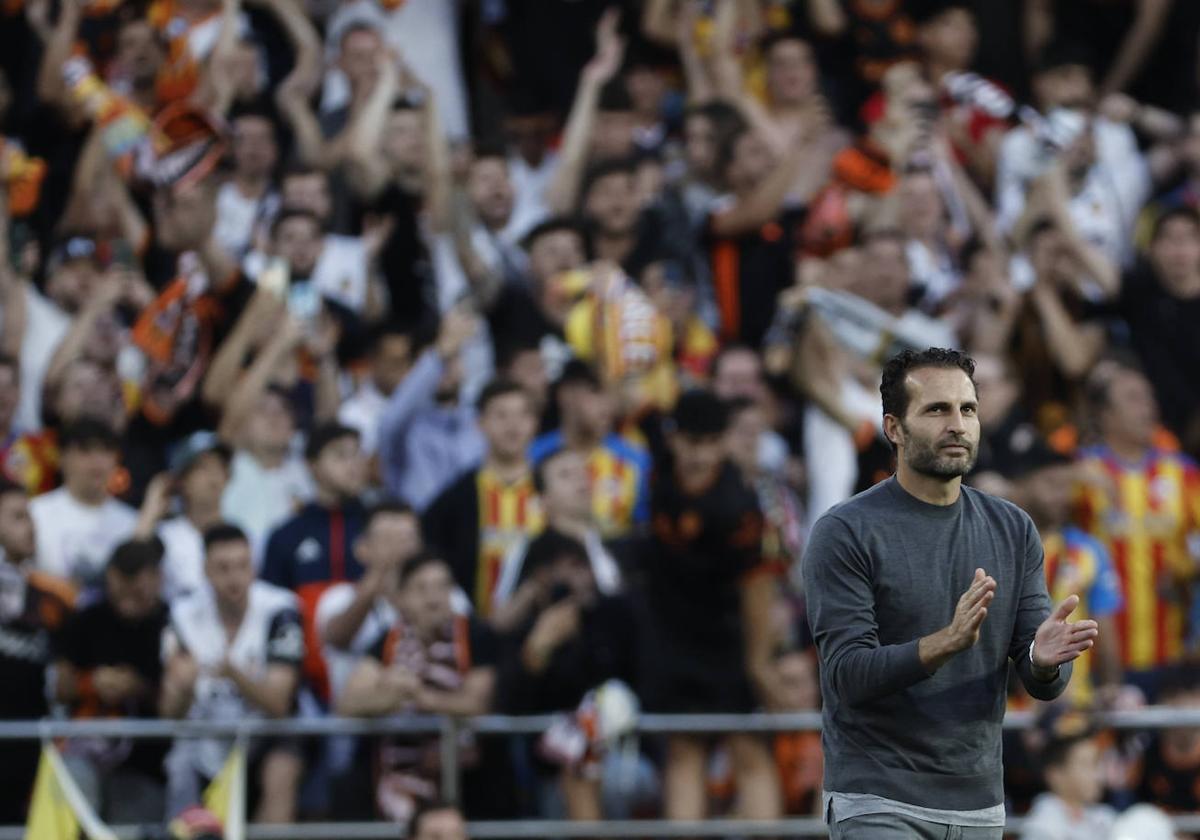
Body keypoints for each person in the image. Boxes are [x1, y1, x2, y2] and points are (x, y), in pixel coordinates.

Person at [803, 347, 1096, 839]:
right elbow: (846, 674)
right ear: (894, 428)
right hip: (879, 798)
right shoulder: (846, 531)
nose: (957, 424)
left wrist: (1044, 662)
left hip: (979, 803)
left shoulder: (1013, 528)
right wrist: (945, 642)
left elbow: (1042, 679)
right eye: (936, 409)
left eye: (968, 409)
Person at [641, 389, 783, 820]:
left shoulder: (738, 508)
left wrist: (758, 663)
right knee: (684, 754)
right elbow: (638, 402)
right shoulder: (661, 470)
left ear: (722, 442)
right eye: (689, 442)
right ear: (674, 439)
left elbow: (758, 591)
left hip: (727, 642)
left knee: (748, 753)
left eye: (707, 444)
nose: (697, 455)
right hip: (671, 638)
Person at [336, 551, 497, 824]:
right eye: (421, 588)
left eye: (442, 586)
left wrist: (419, 695)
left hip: (468, 783)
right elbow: (348, 703)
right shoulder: (388, 640)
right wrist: (390, 693)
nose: (433, 598)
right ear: (401, 598)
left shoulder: (476, 635)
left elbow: (477, 703)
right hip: (395, 781)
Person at [160, 524, 306, 824]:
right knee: (180, 764)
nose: (234, 578)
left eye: (242, 566)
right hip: (205, 735)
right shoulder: (182, 614)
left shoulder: (281, 609)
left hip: (266, 735)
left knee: (282, 768)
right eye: (223, 568)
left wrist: (234, 674)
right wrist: (184, 690)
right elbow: (169, 713)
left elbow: (279, 704)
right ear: (206, 571)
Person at [1074, 362, 1200, 699]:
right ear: (1105, 416)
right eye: (1133, 398)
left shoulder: (1184, 474)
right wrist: (1072, 478)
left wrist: (1187, 570)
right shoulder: (1080, 475)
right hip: (1099, 660)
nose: (1149, 407)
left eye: (1149, 397)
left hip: (1173, 657)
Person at [496, 527, 637, 820]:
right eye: (571, 569)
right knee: (574, 769)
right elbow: (510, 707)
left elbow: (639, 681)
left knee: (583, 767)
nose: (583, 579)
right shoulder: (523, 634)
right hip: (549, 772)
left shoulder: (613, 618)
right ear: (542, 579)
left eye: (585, 567)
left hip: (625, 757)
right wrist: (538, 649)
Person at [54, 537, 169, 823]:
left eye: (138, 591)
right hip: (85, 748)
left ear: (157, 580)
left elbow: (180, 699)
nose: (129, 598)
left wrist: (137, 687)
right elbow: (60, 686)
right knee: (71, 786)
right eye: (121, 588)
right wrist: (92, 683)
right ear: (110, 579)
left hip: (147, 760)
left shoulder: (172, 623)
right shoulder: (87, 619)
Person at [1007, 440, 1123, 707]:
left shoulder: (1089, 551)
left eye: (1068, 487)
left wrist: (1110, 687)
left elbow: (1103, 628)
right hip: (1001, 714)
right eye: (1052, 485)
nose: (1063, 496)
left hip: (1071, 709)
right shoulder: (993, 546)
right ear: (1021, 484)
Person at [261, 422, 368, 702]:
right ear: (312, 465)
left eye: (357, 455)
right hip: (302, 684)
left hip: (369, 677)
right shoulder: (287, 535)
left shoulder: (378, 527)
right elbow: (272, 609)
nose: (353, 465)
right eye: (340, 455)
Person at [422, 379, 542, 617]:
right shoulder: (455, 499)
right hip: (476, 631)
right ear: (480, 423)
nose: (513, 425)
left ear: (535, 423)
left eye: (522, 415)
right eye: (501, 415)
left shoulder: (554, 489)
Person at [0, 478, 74, 823]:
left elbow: (68, 675)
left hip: (34, 746)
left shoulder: (55, 596)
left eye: (30, 516)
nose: (30, 527)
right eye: (17, 517)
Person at [491, 447, 622, 631]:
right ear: (544, 500)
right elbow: (499, 622)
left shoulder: (616, 541)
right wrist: (534, 587)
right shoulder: (528, 550)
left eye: (582, 471)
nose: (580, 479)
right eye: (565, 475)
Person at [529, 360, 651, 540]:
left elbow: (641, 531)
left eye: (612, 393)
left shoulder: (635, 459)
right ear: (566, 395)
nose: (608, 405)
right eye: (596, 392)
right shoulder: (532, 457)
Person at [377, 307, 484, 511]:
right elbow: (390, 421)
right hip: (418, 534)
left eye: (453, 359)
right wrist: (439, 353)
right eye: (435, 362)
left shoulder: (480, 422)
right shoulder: (406, 426)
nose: (443, 369)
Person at [316, 501, 423, 701]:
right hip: (354, 726)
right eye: (388, 539)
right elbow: (337, 637)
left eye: (407, 538)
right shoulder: (338, 596)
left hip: (424, 721)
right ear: (362, 549)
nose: (400, 548)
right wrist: (380, 573)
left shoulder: (447, 594)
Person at [31, 418, 138, 588]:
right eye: (85, 450)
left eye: (106, 451)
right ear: (61, 458)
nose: (97, 462)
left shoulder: (132, 522)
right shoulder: (34, 514)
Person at [136, 432, 233, 600]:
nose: (213, 476)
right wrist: (150, 512)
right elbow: (131, 572)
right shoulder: (164, 535)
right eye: (202, 468)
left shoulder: (244, 536)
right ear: (181, 481)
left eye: (220, 467)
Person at [1020, 708, 1116, 840]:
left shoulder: (1103, 818)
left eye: (1096, 764)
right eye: (1086, 764)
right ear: (1054, 774)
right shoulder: (1043, 828)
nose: (1098, 776)